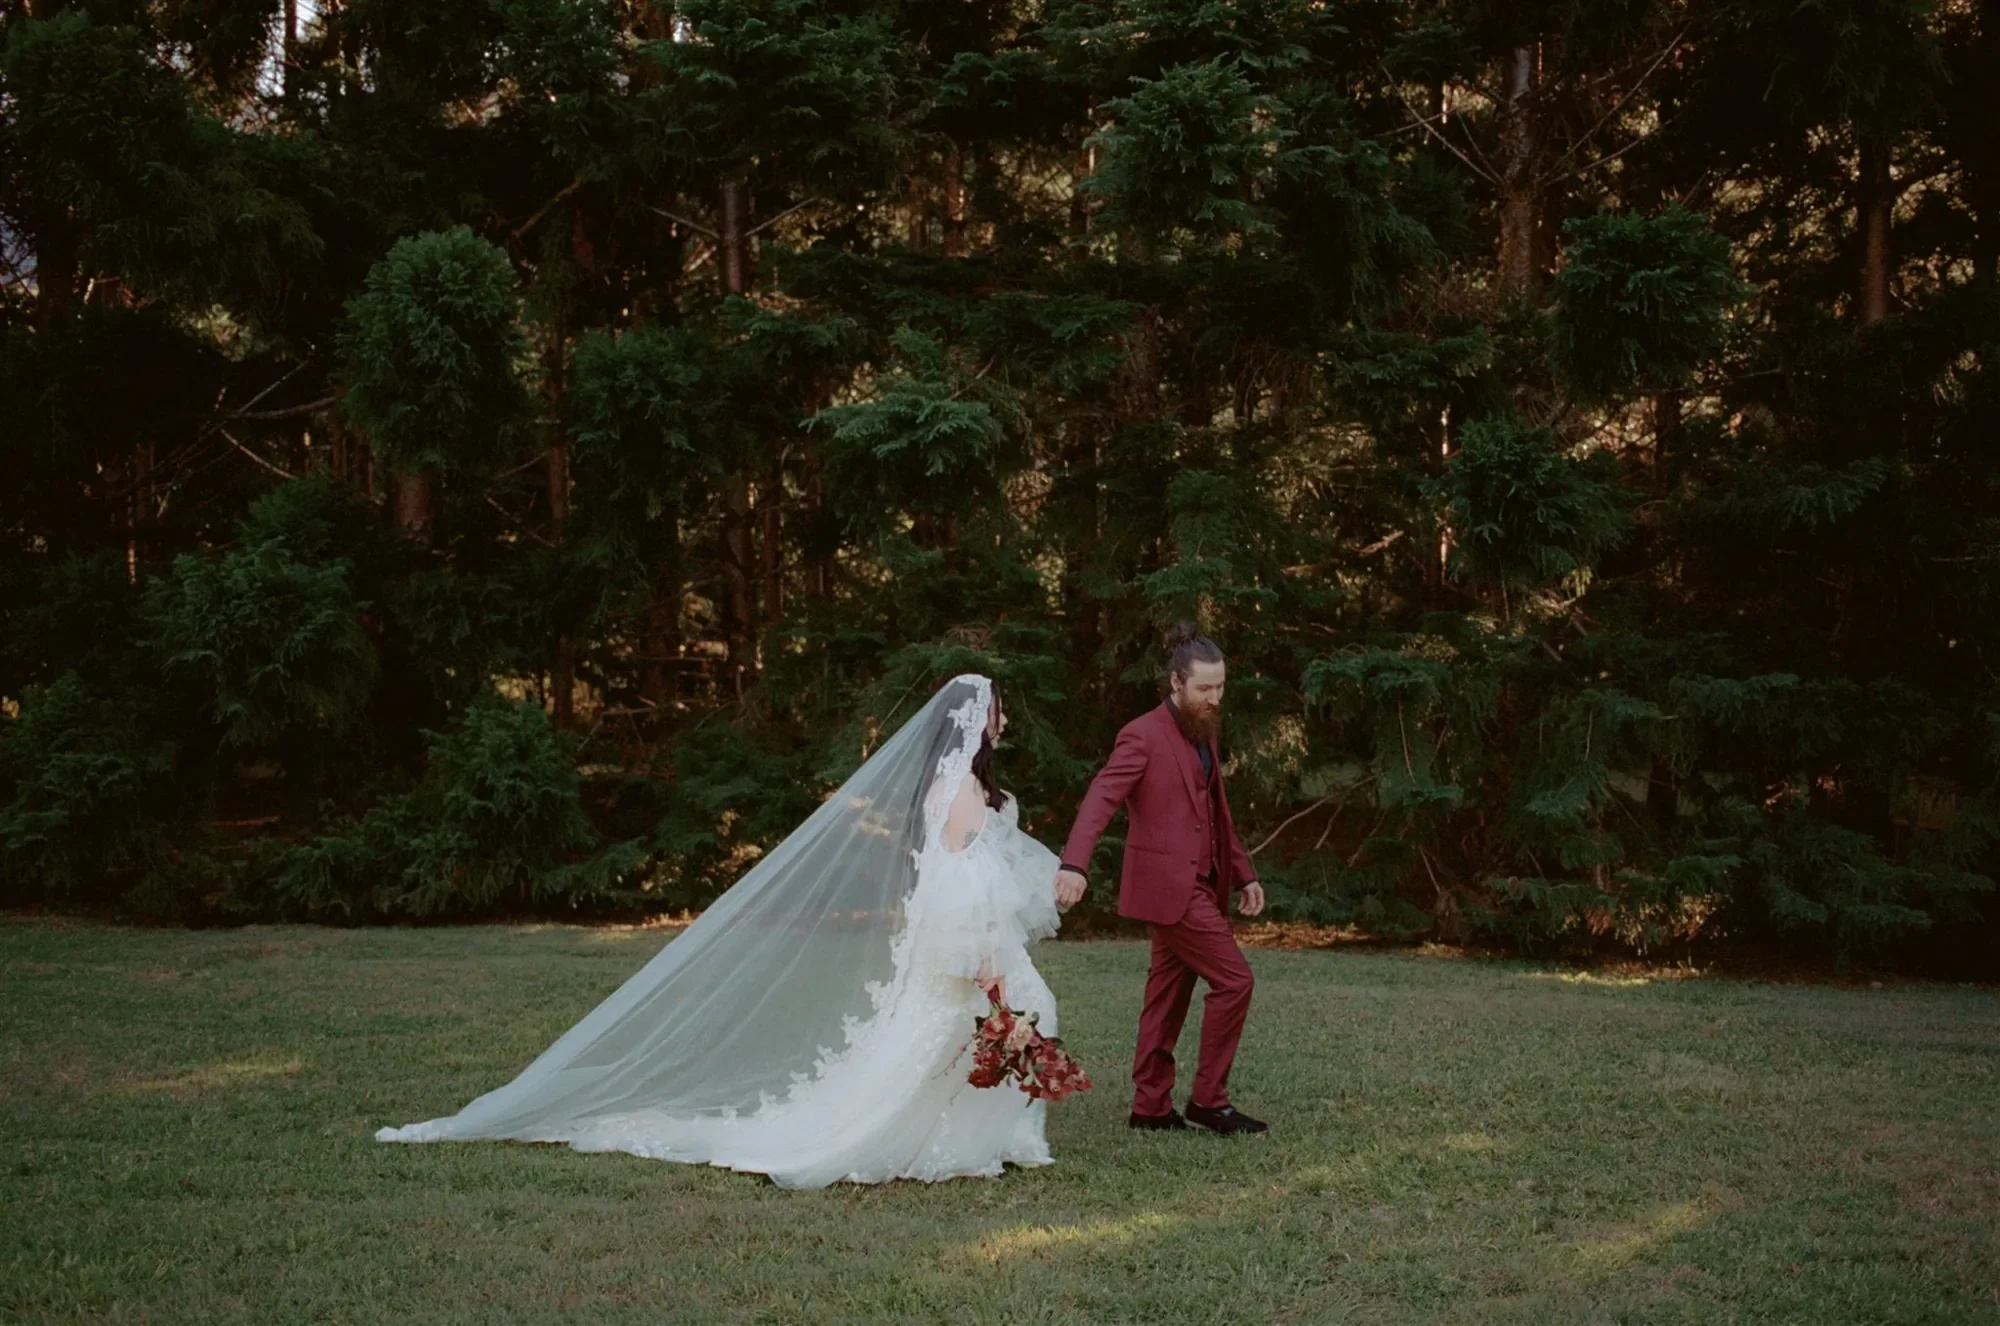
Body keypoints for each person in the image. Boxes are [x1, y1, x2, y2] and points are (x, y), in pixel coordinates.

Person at [377, 675, 1065, 1188]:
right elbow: (957, 889)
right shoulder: (959, 794)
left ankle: (985, 1137)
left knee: (1002, 1025)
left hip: (969, 944)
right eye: (997, 712)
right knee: (992, 1024)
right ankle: (951, 1140)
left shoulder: (969, 790)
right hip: (962, 946)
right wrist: (984, 967)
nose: (1003, 722)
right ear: (975, 721)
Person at [1054, 624, 1269, 1135]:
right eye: (1204, 689)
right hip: (1168, 889)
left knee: (1167, 996)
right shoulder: (1141, 734)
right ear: (1176, 684)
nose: (1215, 699)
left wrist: (1244, 874)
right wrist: (1073, 863)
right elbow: (1101, 797)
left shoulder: (1203, 729)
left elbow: (1216, 812)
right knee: (1236, 980)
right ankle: (1208, 1101)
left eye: (1220, 688)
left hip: (1202, 885)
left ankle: (1150, 1108)